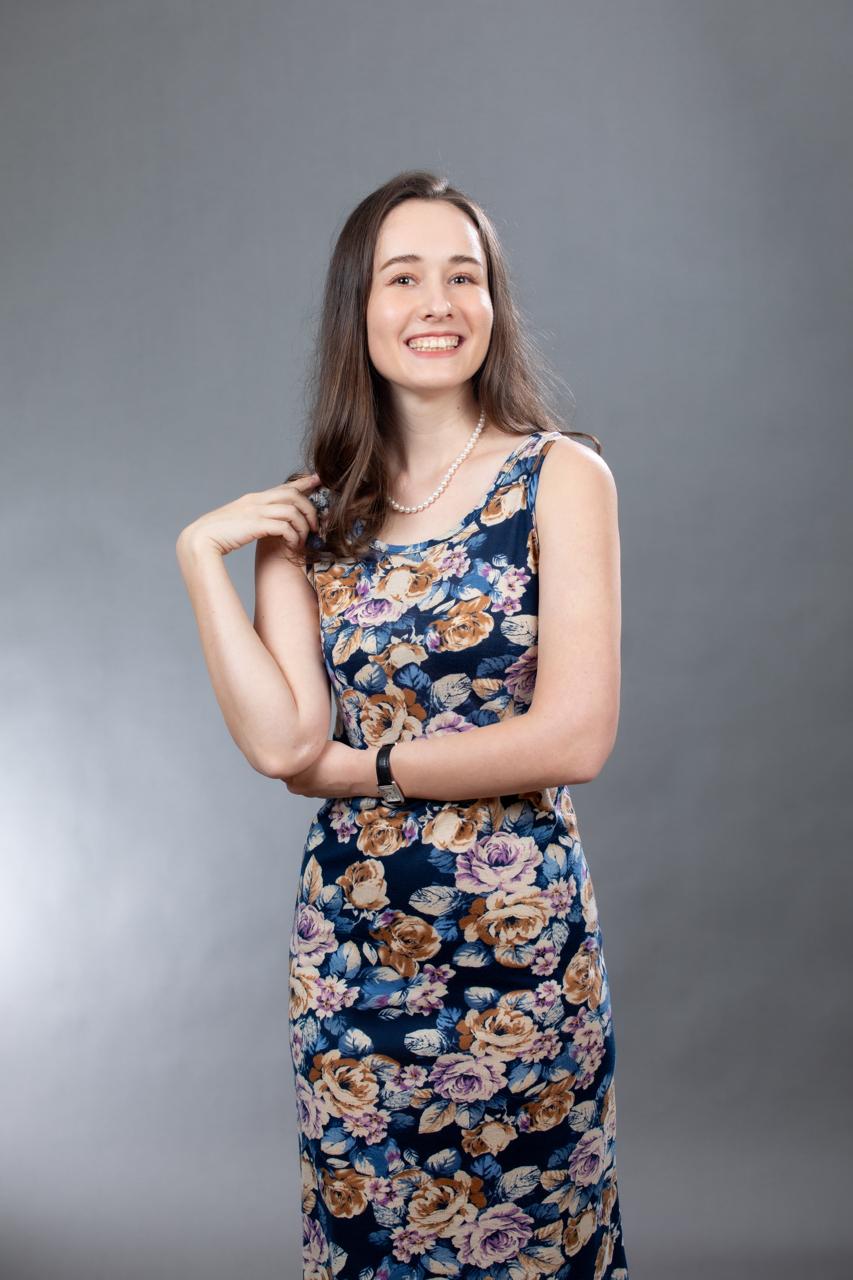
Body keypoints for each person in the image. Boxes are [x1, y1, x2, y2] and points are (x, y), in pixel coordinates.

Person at [177, 170, 628, 1280]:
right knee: (370, 1243)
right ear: (360, 308)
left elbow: (574, 736)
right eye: (404, 277)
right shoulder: (314, 513)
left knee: (535, 1241)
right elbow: (284, 744)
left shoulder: (559, 477)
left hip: (519, 946)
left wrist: (367, 765)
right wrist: (198, 559)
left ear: (494, 304)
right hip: (353, 952)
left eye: (464, 277)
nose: (438, 302)